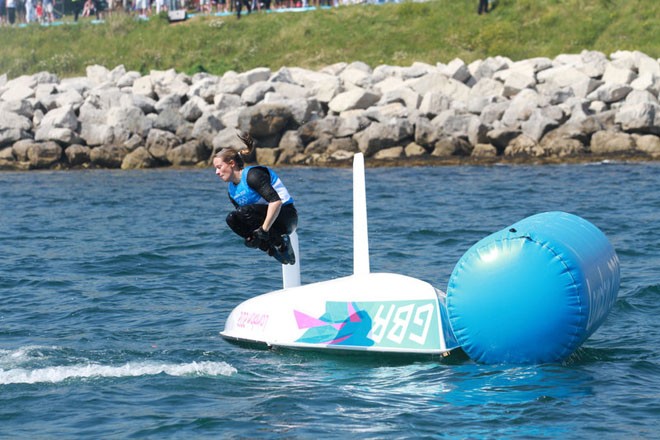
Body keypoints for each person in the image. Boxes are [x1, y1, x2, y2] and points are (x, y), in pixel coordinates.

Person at [213, 133, 298, 265]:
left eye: (219, 167)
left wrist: (263, 230)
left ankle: (281, 243)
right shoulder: (231, 191)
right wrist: (252, 238)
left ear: (231, 164)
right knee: (232, 218)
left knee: (244, 211)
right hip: (269, 223)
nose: (217, 173)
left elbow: (276, 202)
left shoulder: (253, 175)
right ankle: (270, 249)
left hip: (286, 216)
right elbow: (246, 220)